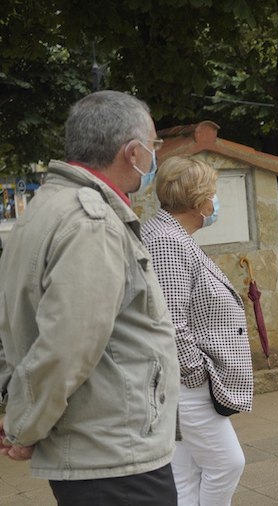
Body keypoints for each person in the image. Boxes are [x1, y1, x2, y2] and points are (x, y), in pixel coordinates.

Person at [0, 90, 180, 505]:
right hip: (114, 453)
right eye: (153, 147)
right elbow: (68, 345)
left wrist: (21, 412)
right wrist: (24, 425)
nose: (154, 157)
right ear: (132, 152)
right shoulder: (90, 221)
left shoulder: (45, 208)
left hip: (98, 447)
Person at [141, 156, 254, 505]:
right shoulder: (167, 241)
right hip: (186, 384)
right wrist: (197, 373)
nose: (215, 201)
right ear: (199, 200)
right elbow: (171, 321)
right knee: (227, 463)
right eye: (214, 193)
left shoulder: (172, 234)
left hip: (181, 382)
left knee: (184, 474)